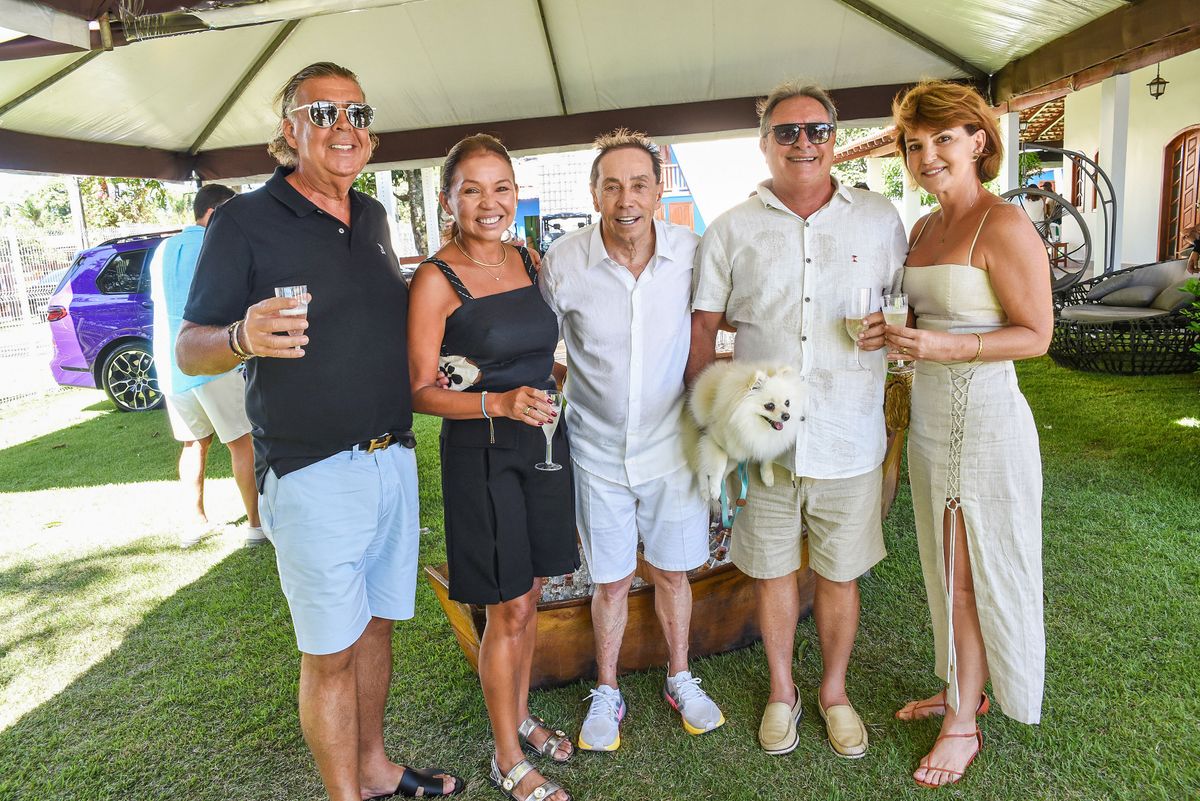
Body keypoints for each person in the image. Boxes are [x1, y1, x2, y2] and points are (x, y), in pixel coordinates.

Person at [175, 62, 462, 800]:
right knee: (329, 650)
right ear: (288, 130)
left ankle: (374, 768)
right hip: (310, 471)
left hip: (391, 459)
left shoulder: (370, 217)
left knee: (375, 630)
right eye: (324, 112)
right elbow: (188, 345)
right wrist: (241, 334)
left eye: (357, 113)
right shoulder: (243, 220)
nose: (344, 128)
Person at [686, 80, 906, 759]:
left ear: (834, 139)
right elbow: (702, 335)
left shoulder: (879, 218)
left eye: (816, 130)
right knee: (772, 572)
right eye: (788, 131)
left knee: (840, 576)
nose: (803, 142)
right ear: (765, 143)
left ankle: (835, 692)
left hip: (849, 433)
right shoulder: (729, 228)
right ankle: (783, 689)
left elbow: (905, 309)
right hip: (764, 444)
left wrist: (891, 330)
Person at [884, 79, 1052, 789]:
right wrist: (893, 335)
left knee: (971, 573)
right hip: (930, 424)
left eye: (943, 139)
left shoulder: (1003, 223)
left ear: (979, 141)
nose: (927, 156)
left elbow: (1037, 334)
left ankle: (963, 722)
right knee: (943, 568)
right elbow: (925, 321)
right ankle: (963, 688)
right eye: (915, 145)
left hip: (985, 424)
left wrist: (943, 349)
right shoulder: (923, 228)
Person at [539, 129, 724, 753]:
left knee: (674, 572)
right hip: (593, 448)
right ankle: (608, 688)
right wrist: (567, 386)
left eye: (638, 184)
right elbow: (541, 346)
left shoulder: (693, 253)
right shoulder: (563, 261)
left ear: (658, 189)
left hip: (672, 447)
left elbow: (712, 332)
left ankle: (680, 676)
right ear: (594, 193)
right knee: (611, 579)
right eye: (612, 185)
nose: (626, 199)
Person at [407, 134, 578, 801]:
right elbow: (419, 390)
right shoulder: (435, 278)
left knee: (530, 594)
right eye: (472, 189)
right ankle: (509, 754)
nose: (489, 202)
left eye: (500, 187)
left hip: (541, 445)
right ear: (449, 199)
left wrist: (560, 378)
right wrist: (498, 400)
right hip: (481, 452)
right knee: (505, 604)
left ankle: (522, 715)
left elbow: (539, 352)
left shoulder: (530, 259)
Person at [149, 183, 264, 549]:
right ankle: (257, 524)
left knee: (193, 445)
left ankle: (196, 520)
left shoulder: (162, 249)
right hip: (212, 362)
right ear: (215, 214)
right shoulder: (215, 244)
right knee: (241, 443)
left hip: (170, 366)